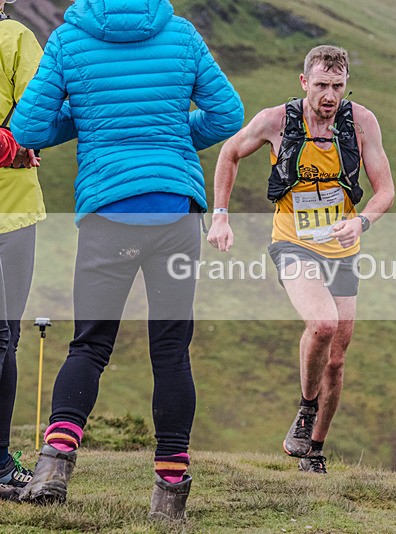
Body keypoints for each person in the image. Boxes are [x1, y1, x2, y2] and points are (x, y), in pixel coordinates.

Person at [9, 0, 243, 519]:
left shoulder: (69, 40)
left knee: (90, 345)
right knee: (171, 351)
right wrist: (172, 135)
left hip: (107, 212)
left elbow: (26, 128)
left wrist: (92, 122)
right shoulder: (181, 34)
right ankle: (169, 495)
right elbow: (228, 113)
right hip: (174, 211)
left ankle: (53, 466)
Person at [208, 45, 395, 474]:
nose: (330, 95)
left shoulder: (361, 123)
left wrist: (361, 222)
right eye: (322, 85)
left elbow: (385, 189)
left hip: (342, 247)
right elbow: (229, 153)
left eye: (338, 86)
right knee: (323, 324)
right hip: (293, 242)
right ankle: (306, 408)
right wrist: (220, 215)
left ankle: (314, 452)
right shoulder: (275, 121)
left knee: (336, 360)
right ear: (304, 82)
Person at [0, 0, 44, 493]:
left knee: (7, 338)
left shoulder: (17, 37)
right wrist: (13, 145)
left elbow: (38, 117)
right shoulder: (15, 38)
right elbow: (36, 120)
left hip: (15, 208)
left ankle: (0, 465)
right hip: (13, 207)